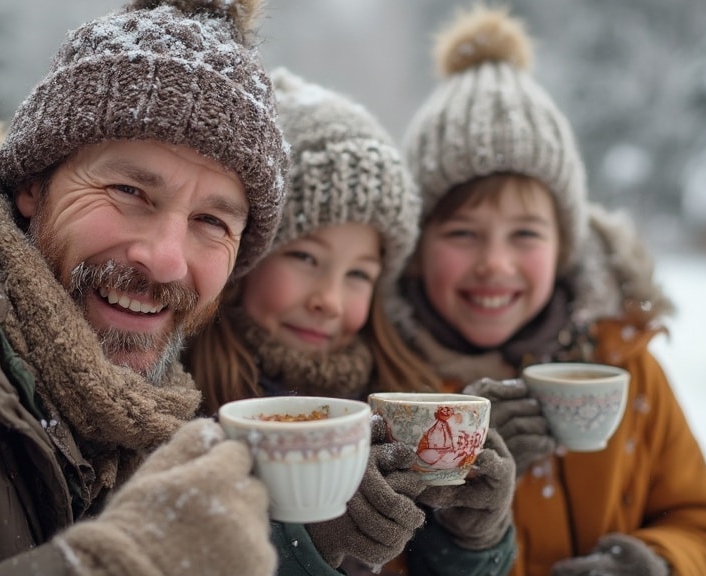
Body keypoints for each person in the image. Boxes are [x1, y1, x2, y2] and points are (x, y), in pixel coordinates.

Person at [0, 0, 289, 574]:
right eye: (129, 191)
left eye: (212, 222)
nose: (164, 261)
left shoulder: (140, 410)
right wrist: (113, 565)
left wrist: (293, 532)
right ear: (34, 183)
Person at [390, 5, 706, 576]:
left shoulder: (625, 367)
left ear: (564, 247)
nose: (495, 263)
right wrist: (457, 498)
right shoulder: (391, 387)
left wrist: (655, 565)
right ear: (417, 248)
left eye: (525, 234)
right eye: (462, 233)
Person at [183, 67, 517, 576]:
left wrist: (472, 538)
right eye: (305, 259)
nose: (330, 301)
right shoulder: (185, 403)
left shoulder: (398, 402)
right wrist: (306, 545)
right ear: (244, 260)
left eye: (359, 274)